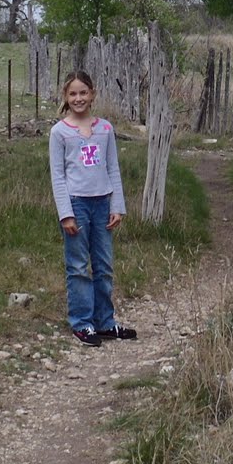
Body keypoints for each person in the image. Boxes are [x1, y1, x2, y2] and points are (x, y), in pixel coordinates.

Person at [48, 70, 137, 347]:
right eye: (73, 93)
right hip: (77, 204)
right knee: (77, 266)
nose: (78, 98)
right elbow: (58, 175)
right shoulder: (60, 132)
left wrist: (117, 206)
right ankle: (82, 323)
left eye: (83, 92)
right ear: (65, 96)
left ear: (92, 94)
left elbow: (113, 168)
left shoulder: (105, 129)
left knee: (104, 265)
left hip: (103, 204)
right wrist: (66, 213)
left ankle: (105, 321)